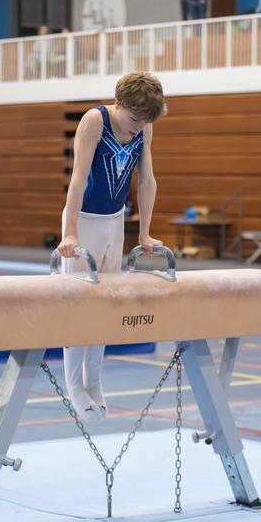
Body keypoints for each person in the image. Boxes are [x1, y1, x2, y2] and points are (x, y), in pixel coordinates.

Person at [57, 72, 167, 421]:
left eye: (146, 121)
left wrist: (145, 233)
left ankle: (95, 382)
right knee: (77, 306)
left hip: (114, 222)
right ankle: (74, 386)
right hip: (84, 221)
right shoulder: (95, 121)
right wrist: (70, 233)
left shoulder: (144, 125)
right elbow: (77, 179)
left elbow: (146, 180)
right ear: (118, 104)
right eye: (134, 119)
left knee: (105, 305)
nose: (138, 127)